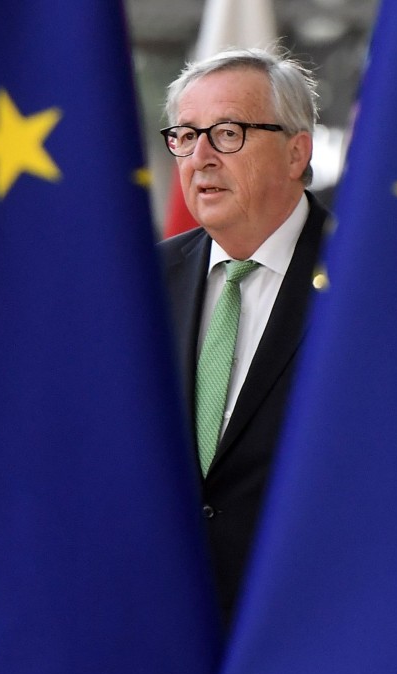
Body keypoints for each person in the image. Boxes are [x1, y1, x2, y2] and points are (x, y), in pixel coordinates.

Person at [157, 46, 329, 626]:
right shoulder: (142, 284)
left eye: (227, 133)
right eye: (185, 136)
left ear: (296, 152)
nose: (200, 157)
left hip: (310, 622)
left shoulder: (368, 281)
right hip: (169, 624)